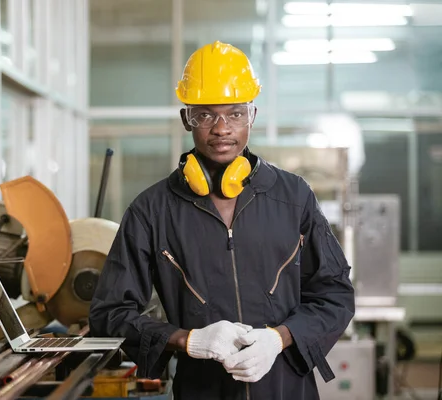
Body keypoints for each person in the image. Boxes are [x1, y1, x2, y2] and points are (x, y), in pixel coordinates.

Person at [88, 40, 355, 400]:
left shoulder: (293, 197)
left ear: (253, 116)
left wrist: (279, 339)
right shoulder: (150, 210)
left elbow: (334, 294)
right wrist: (189, 340)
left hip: (286, 389)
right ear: (187, 119)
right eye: (205, 114)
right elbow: (109, 314)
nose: (222, 128)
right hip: (201, 390)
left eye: (235, 113)